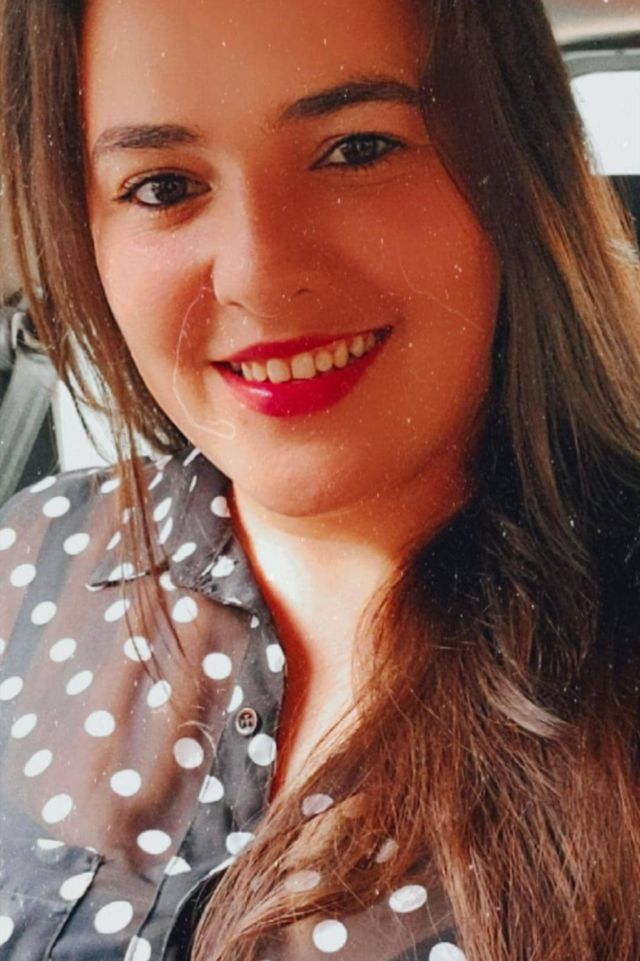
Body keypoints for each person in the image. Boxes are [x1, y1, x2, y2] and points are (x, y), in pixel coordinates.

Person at [0, 0, 639, 959]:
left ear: (512, 169)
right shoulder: (28, 553)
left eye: (358, 149)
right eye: (164, 185)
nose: (260, 276)